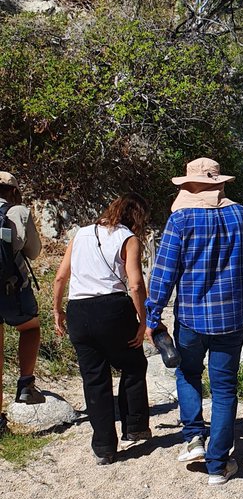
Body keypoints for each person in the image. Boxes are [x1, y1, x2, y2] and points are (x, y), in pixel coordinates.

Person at [145, 157, 243, 486]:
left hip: (192, 319)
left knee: (188, 373)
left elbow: (164, 276)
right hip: (232, 319)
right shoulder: (242, 216)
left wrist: (153, 317)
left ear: (190, 187)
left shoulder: (180, 221)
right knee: (224, 391)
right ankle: (217, 466)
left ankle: (194, 438)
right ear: (219, 184)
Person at [53, 193, 152, 464]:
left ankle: (104, 446)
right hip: (112, 309)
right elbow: (135, 284)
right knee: (132, 363)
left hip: (79, 311)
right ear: (137, 218)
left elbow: (61, 276)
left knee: (94, 378)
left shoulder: (81, 234)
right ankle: (134, 426)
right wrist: (143, 320)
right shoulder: (128, 239)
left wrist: (57, 310)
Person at [0, 171, 45, 406]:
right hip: (11, 289)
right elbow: (34, 252)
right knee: (30, 328)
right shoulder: (18, 211)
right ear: (13, 191)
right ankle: (26, 384)